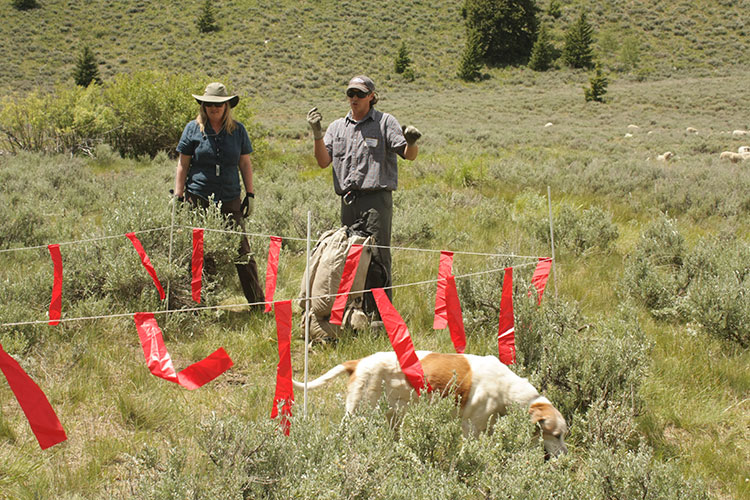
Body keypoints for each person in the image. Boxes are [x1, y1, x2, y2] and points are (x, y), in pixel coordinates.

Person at [306, 75, 421, 320]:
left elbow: (408, 155)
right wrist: (317, 133)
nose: (354, 99)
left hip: (376, 200)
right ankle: (352, 313)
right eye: (351, 94)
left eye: (360, 94)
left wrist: (411, 141)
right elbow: (323, 161)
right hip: (348, 201)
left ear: (371, 96)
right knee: (346, 255)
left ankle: (380, 316)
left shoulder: (385, 122)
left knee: (377, 257)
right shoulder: (337, 127)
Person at [174, 82, 265, 309]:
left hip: (230, 197)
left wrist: (250, 193)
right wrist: (179, 196)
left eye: (219, 104)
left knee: (242, 252)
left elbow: (245, 163)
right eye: (209, 104)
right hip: (199, 198)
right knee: (201, 253)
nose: (214, 108)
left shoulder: (238, 130)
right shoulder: (192, 129)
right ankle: (202, 305)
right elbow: (182, 165)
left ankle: (257, 304)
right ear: (203, 106)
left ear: (227, 106)